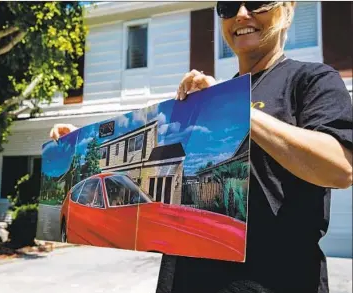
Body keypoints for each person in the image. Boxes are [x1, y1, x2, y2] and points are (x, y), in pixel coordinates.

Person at [49, 2, 352, 292]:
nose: (242, 14)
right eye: (229, 7)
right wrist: (81, 143)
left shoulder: (311, 80)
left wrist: (236, 108)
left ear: (288, 10)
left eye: (258, 2)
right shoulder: (211, 99)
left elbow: (340, 168)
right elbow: (144, 158)